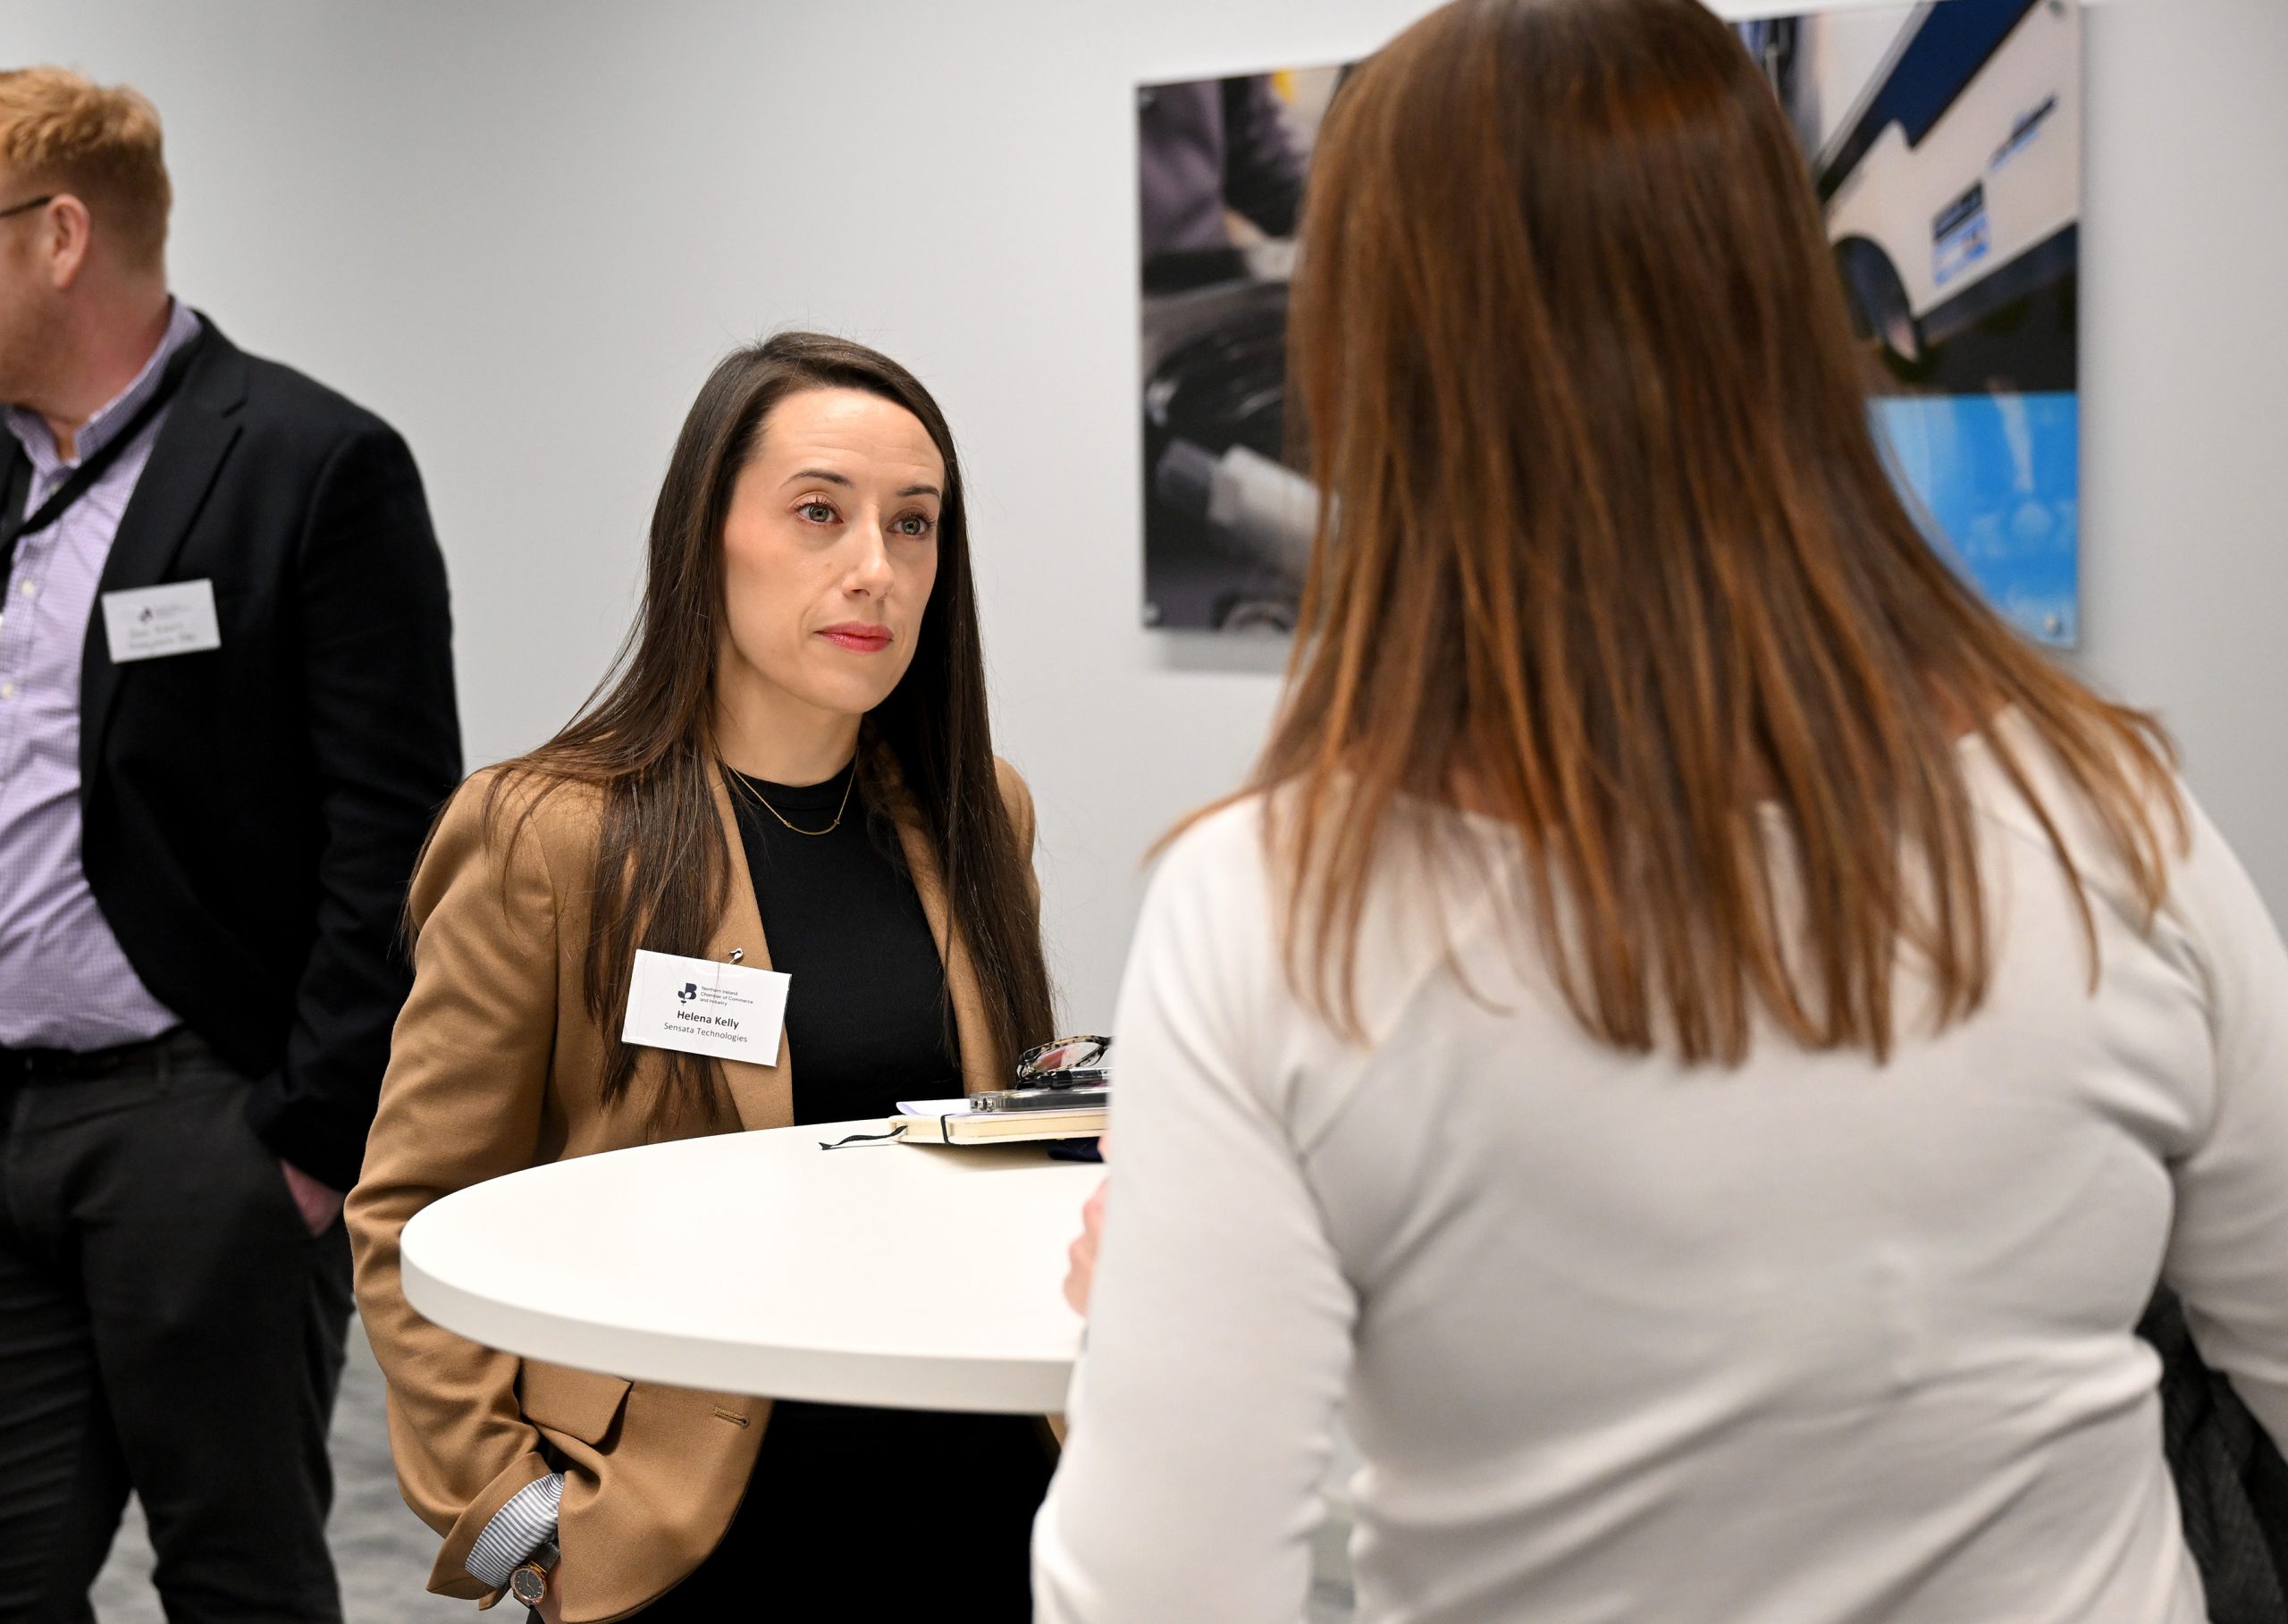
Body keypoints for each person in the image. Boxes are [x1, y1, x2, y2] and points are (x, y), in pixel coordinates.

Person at [1033, 2, 2288, 1620]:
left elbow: (1159, 1597)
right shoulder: (2105, 811)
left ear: (1367, 367)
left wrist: (1160, 1309)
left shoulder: (1283, 908)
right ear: (1783, 311)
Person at [349, 332, 1059, 1620]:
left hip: (980, 1492)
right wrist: (514, 1514)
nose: (874, 569)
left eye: (913, 525)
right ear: (704, 538)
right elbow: (410, 1215)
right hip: (693, 1526)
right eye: (817, 512)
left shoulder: (976, 815)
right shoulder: (552, 835)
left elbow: (1008, 1147)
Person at [0, 67, 460, 1622]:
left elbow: (395, 830)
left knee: (238, 1573)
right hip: (10, 1117)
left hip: (202, 1125)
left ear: (60, 236)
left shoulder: (308, 466)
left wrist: (312, 1139)